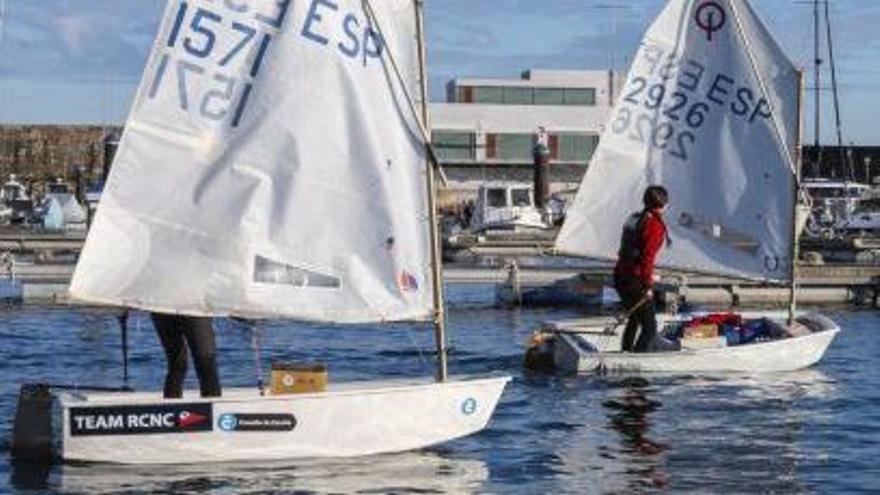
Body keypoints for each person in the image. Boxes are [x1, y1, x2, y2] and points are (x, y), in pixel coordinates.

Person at [614, 185, 670, 353]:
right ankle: (636, 361)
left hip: (621, 275)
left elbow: (624, 248)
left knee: (634, 318)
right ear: (664, 203)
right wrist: (648, 285)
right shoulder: (654, 225)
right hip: (635, 279)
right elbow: (647, 257)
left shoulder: (634, 217)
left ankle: (626, 352)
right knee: (650, 327)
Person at [151, 312, 222, 398]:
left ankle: (213, 404)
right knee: (177, 362)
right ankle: (172, 407)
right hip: (162, 309)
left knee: (206, 360)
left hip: (195, 308)